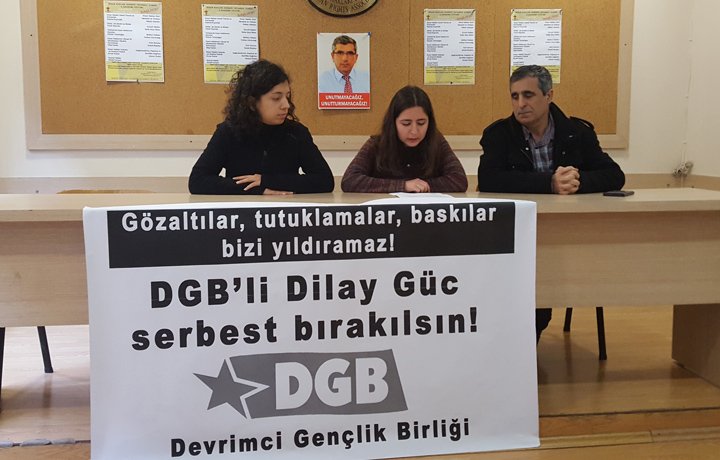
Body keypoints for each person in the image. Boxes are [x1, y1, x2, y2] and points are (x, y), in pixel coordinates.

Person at [478, 65, 625, 342]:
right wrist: (549, 183)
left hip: (564, 236)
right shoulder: (499, 135)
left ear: (549, 95)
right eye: (514, 96)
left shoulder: (577, 133)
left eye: (528, 95)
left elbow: (615, 175)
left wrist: (578, 181)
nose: (520, 104)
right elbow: (488, 180)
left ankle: (526, 343)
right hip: (515, 236)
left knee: (544, 288)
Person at [189, 60, 334, 195]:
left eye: (287, 96)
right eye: (276, 98)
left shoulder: (296, 133)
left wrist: (268, 181)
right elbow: (197, 181)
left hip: (286, 210)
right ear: (252, 103)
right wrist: (257, 189)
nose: (286, 105)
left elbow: (325, 180)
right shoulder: (229, 131)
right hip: (243, 211)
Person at [341, 85, 468, 193]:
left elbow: (459, 180)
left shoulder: (436, 141)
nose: (414, 131)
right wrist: (403, 186)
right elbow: (349, 180)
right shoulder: (377, 144)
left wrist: (421, 186)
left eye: (421, 123)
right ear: (393, 123)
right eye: (406, 123)